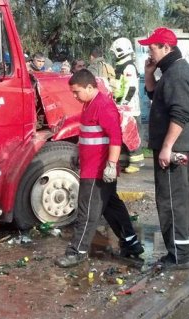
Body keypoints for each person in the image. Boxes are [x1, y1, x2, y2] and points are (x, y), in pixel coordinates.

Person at [54, 69, 144, 268]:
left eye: (76, 92)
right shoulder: (89, 104)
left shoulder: (103, 106)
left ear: (89, 87)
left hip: (97, 170)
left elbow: (116, 137)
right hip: (93, 167)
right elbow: (87, 132)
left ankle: (77, 251)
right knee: (112, 208)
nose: (74, 96)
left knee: (87, 212)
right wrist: (78, 151)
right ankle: (131, 244)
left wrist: (111, 165)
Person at [140, 27, 189, 270]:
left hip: (174, 148)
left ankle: (179, 255)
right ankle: (185, 246)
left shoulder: (176, 73)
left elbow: (180, 114)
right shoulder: (171, 70)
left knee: (170, 200)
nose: (148, 50)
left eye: (152, 47)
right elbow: (156, 96)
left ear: (166, 47)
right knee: (180, 198)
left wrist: (166, 147)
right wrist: (149, 73)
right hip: (179, 146)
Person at [110, 37, 144, 174]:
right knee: (123, 136)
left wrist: (123, 103)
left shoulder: (128, 66)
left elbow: (131, 88)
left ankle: (136, 162)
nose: (113, 55)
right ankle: (124, 160)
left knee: (132, 136)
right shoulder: (121, 66)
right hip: (122, 107)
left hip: (130, 109)